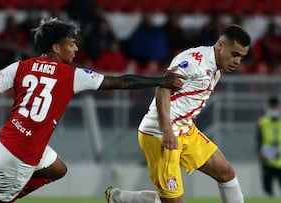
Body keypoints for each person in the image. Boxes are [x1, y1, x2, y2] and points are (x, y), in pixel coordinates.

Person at [0, 18, 185, 203]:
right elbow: (121, 81)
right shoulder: (72, 75)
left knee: (58, 170)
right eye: (71, 43)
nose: (76, 48)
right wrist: (159, 80)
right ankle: (6, 195)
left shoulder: (21, 66)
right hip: (21, 155)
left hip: (11, 140)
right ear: (57, 48)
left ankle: (8, 192)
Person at [105, 24, 250, 203]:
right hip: (159, 133)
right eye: (234, 54)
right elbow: (163, 89)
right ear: (220, 45)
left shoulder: (216, 68)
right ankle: (120, 198)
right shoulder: (194, 63)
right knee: (173, 201)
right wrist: (167, 131)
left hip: (185, 131)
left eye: (242, 57)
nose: (237, 61)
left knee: (226, 173)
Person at [256, 96, 281, 197]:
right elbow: (258, 138)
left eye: (275, 106)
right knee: (267, 189)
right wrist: (259, 151)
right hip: (267, 157)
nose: (274, 108)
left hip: (280, 158)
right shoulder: (262, 122)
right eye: (272, 106)